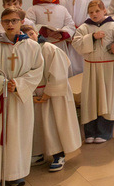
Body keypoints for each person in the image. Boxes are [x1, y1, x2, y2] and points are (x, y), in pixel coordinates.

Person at [0, 8, 44, 186]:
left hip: (20, 99)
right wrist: (2, 83)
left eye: (14, 20)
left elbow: (37, 71)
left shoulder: (32, 46)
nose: (10, 24)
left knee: (18, 135)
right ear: (2, 23)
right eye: (6, 21)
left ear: (21, 22)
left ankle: (16, 174)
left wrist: (19, 84)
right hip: (0, 98)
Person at [24, 24, 81, 172]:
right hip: (35, 94)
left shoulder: (48, 48)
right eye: (25, 35)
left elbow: (59, 71)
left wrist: (48, 92)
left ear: (37, 33)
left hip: (53, 93)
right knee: (37, 124)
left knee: (53, 124)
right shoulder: (23, 52)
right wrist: (30, 94)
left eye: (31, 33)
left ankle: (58, 154)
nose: (30, 37)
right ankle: (38, 153)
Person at [72, 0, 114, 143]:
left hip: (108, 67)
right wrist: (91, 37)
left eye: (97, 11)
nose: (94, 14)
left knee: (106, 99)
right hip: (91, 67)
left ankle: (104, 132)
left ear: (104, 11)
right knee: (90, 99)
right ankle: (90, 132)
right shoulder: (85, 27)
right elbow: (76, 43)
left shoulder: (113, 26)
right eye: (91, 12)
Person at [25, 0, 77, 73]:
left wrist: (62, 35)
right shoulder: (33, 10)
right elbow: (28, 27)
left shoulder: (62, 9)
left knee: (61, 72)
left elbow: (71, 25)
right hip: (42, 46)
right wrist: (45, 32)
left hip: (60, 45)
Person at [60, 0, 94, 74]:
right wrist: (69, 29)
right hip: (68, 35)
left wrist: (81, 29)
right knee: (68, 63)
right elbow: (60, 15)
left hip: (83, 32)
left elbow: (92, 14)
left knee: (82, 62)